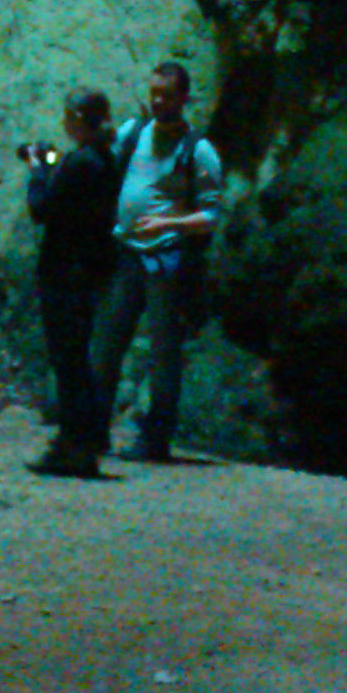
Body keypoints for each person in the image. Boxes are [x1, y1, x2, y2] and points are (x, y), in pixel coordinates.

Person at [89, 60, 225, 464]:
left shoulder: (197, 150)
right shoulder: (134, 133)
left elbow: (211, 215)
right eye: (155, 93)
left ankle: (156, 439)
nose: (159, 101)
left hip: (165, 261)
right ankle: (92, 429)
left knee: (164, 351)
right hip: (127, 254)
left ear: (184, 98)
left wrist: (167, 222)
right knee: (107, 344)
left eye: (167, 95)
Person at [21, 88, 121, 479]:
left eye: (67, 116)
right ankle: (85, 442)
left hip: (66, 272)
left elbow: (42, 208)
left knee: (68, 361)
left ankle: (73, 445)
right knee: (78, 360)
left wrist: (38, 171)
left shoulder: (81, 163)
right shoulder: (103, 159)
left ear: (78, 118)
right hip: (89, 272)